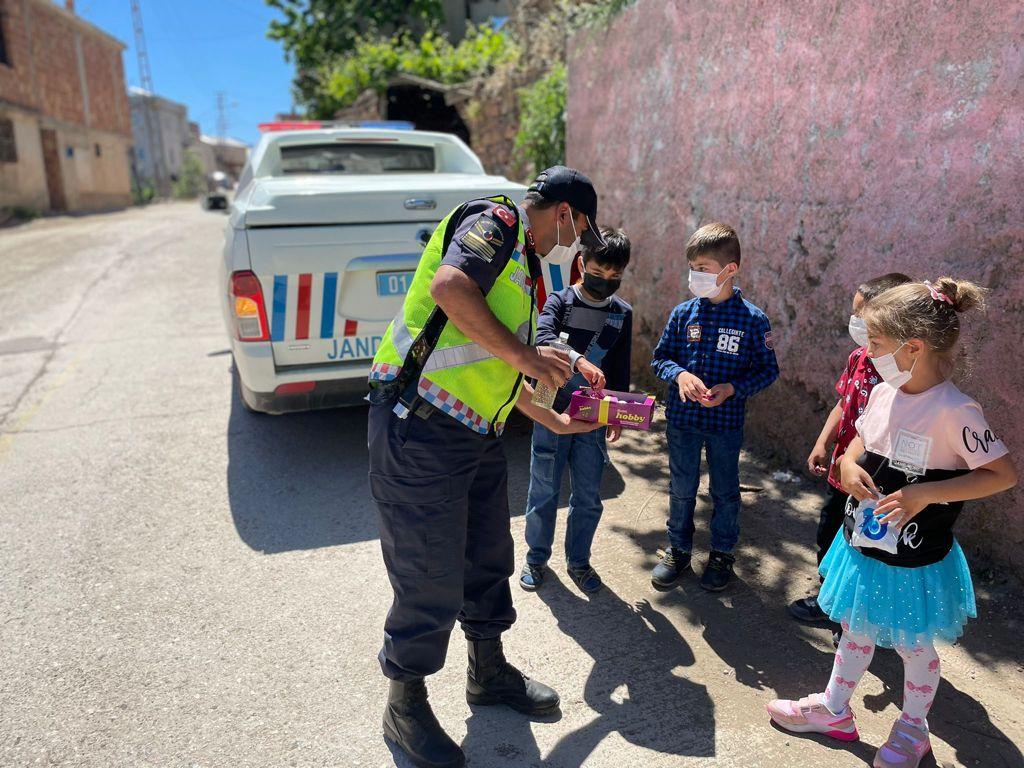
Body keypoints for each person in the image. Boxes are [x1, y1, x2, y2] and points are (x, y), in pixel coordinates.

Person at [366, 166, 609, 768]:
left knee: (485, 557)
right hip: (420, 422)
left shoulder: (524, 269)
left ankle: (487, 671)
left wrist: (547, 412)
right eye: (576, 232)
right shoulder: (496, 219)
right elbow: (451, 288)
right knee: (427, 569)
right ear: (567, 215)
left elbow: (487, 354)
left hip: (473, 431)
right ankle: (404, 704)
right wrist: (527, 353)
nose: (570, 244)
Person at [767, 278, 1017, 768]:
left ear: (914, 347)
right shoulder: (884, 390)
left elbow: (1001, 474)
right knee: (855, 628)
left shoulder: (955, 410)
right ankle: (835, 710)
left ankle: (914, 728)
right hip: (865, 542)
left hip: (914, 559)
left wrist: (926, 493)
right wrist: (846, 463)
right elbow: (861, 438)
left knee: (911, 645)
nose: (869, 352)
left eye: (876, 344)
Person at [649, 222, 780, 592]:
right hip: (683, 420)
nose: (695, 276)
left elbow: (768, 370)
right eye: (691, 268)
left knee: (724, 490)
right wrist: (678, 376)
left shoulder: (753, 320)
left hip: (726, 423)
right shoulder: (683, 314)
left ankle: (722, 553)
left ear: (730, 270)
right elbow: (660, 358)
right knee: (681, 486)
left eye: (702, 268)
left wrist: (733, 388)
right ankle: (678, 549)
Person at [789, 273, 912, 624]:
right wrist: (822, 441)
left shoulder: (902, 372)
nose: (855, 323)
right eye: (854, 314)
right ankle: (828, 599)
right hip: (840, 472)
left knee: (869, 545)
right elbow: (844, 403)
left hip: (876, 480)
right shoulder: (858, 357)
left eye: (863, 315)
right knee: (830, 532)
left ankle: (862, 613)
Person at [519, 227, 634, 596]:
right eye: (599, 273)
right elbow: (543, 339)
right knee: (544, 489)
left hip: (593, 416)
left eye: (615, 277)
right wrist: (578, 360)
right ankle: (536, 559)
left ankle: (579, 561)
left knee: (588, 495)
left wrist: (618, 412)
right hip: (547, 404)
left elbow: (620, 369)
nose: (605, 282)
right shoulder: (558, 302)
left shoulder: (622, 313)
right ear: (582, 264)